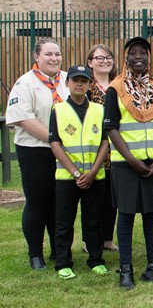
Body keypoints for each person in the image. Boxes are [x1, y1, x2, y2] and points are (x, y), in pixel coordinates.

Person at [104, 36, 153, 289]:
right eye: (134, 53)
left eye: (143, 52)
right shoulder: (116, 88)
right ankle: (126, 270)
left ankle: (152, 266)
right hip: (126, 165)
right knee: (127, 215)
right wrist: (131, 160)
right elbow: (111, 128)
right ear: (126, 57)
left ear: (149, 57)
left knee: (152, 215)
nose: (139, 56)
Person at [6, 38, 68, 270]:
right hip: (35, 150)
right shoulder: (25, 83)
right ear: (36, 57)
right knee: (38, 203)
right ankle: (35, 254)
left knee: (59, 202)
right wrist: (54, 140)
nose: (54, 59)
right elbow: (23, 118)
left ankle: (58, 250)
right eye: (48, 55)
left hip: (64, 152)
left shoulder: (67, 79)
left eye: (57, 54)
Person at [49, 65, 110, 280]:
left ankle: (96, 260)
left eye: (84, 81)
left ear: (90, 84)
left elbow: (105, 142)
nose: (79, 84)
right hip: (68, 178)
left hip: (96, 176)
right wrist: (76, 173)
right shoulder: (58, 110)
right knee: (64, 221)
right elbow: (55, 144)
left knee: (94, 220)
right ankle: (63, 263)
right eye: (75, 80)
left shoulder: (99, 109)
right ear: (67, 83)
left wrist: (93, 172)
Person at [85, 44, 119, 252]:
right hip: (96, 150)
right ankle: (90, 240)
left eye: (108, 57)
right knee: (94, 200)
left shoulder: (117, 86)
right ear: (90, 62)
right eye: (99, 58)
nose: (105, 61)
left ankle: (107, 238)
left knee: (111, 198)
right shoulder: (86, 87)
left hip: (116, 152)